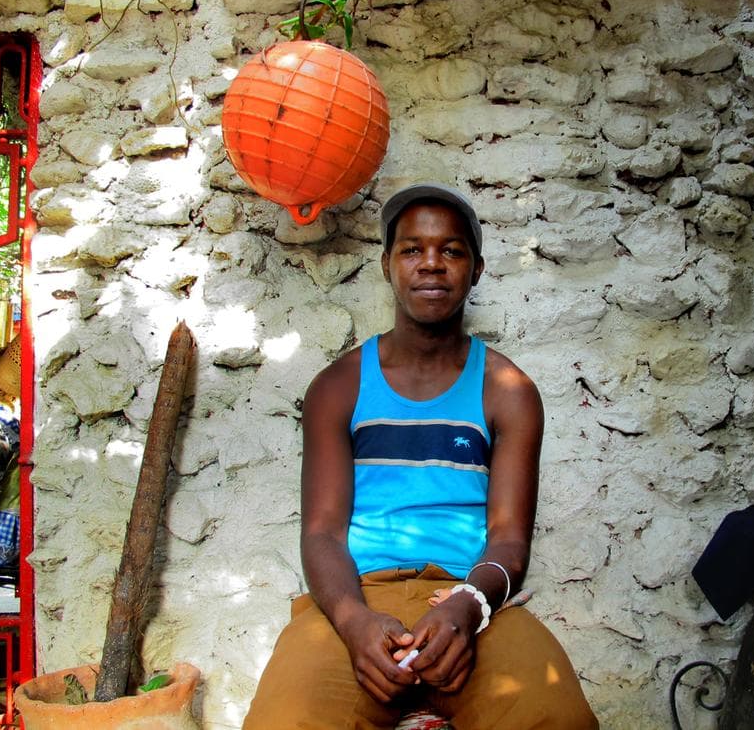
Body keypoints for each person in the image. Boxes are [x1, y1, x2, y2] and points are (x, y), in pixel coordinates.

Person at [243, 183, 598, 729]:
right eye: (412, 249)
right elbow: (321, 534)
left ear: (476, 269)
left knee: (557, 717)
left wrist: (469, 606)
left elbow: (508, 540)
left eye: (451, 251)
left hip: (471, 602)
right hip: (358, 598)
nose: (431, 265)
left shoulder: (507, 390)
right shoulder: (338, 387)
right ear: (387, 264)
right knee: (284, 720)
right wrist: (352, 620)